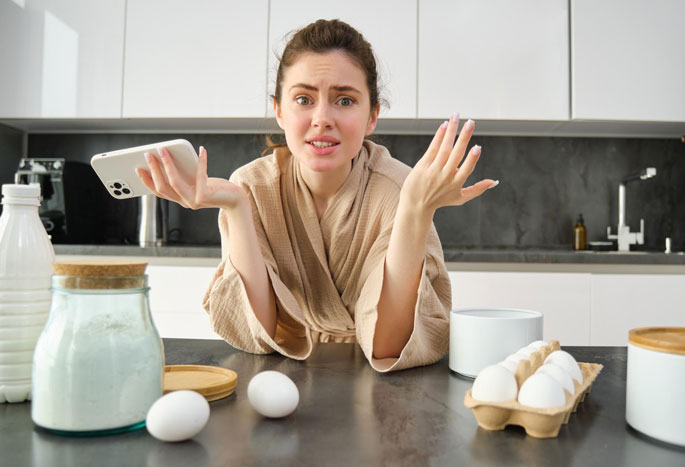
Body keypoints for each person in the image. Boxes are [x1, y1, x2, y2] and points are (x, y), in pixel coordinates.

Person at [137, 19, 497, 372]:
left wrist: (415, 211)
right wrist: (235, 207)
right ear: (279, 110)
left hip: (375, 379)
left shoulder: (401, 189)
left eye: (344, 100)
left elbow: (390, 345)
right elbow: (263, 330)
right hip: (289, 371)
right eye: (304, 98)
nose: (322, 118)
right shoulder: (252, 187)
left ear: (372, 116)